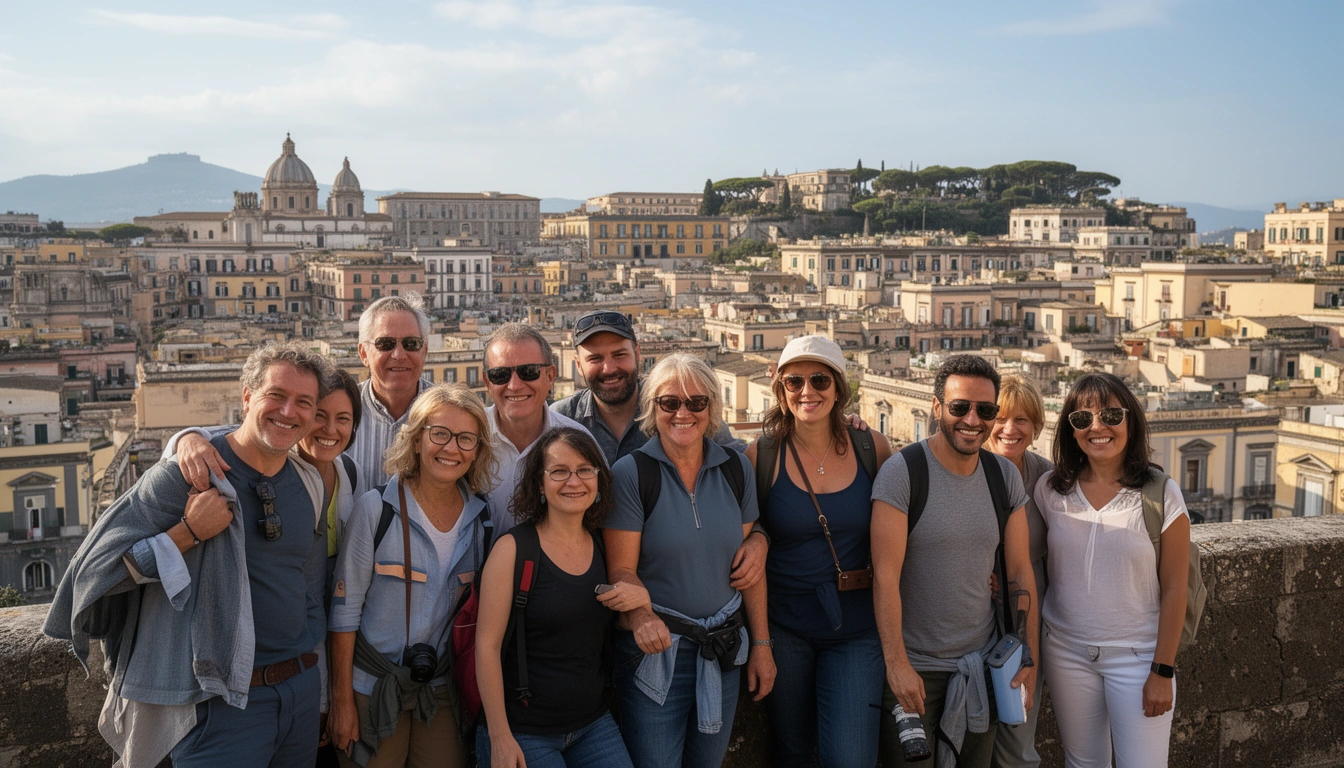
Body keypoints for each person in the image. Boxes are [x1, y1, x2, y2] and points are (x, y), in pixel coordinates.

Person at [45, 342, 334, 768]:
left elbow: (308, 584)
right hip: (218, 704)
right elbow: (90, 572)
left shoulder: (310, 483)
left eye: (304, 403)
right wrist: (186, 534)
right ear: (248, 396)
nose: (289, 411)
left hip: (299, 695)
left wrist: (314, 678)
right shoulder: (184, 476)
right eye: (276, 395)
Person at [604, 354, 776, 768]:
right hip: (657, 656)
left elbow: (748, 565)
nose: (683, 413)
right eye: (669, 403)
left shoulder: (735, 467)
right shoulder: (631, 474)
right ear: (653, 409)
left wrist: (762, 645)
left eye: (697, 403)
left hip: (724, 651)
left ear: (713, 410)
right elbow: (621, 571)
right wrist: (642, 617)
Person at [870, 354, 1039, 768]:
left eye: (985, 410)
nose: (972, 419)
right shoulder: (903, 473)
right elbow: (885, 577)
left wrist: (1028, 659)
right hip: (915, 673)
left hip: (982, 669)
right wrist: (897, 667)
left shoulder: (1004, 477)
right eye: (959, 407)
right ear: (936, 408)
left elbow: (1019, 573)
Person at [326, 383, 496, 768]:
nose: (451, 448)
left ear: (478, 451)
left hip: (440, 692)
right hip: (371, 688)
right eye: (439, 434)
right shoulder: (376, 510)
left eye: (466, 439)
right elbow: (344, 612)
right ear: (416, 440)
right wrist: (341, 702)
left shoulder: (481, 520)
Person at [747, 335, 892, 768]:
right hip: (785, 627)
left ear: (839, 388)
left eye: (819, 380)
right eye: (794, 382)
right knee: (791, 751)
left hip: (857, 630)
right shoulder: (762, 455)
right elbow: (746, 541)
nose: (806, 391)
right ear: (780, 389)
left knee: (850, 757)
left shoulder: (873, 448)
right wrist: (760, 642)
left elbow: (901, 535)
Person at [552, 309, 770, 593]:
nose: (609, 368)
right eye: (595, 359)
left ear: (637, 354)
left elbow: (744, 466)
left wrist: (759, 535)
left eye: (619, 355)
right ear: (578, 365)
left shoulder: (675, 406)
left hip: (664, 587)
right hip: (581, 579)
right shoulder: (562, 422)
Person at [1035, 372, 1189, 768]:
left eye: (1110, 415)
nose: (1097, 427)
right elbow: (1024, 552)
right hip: (1065, 650)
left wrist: (1162, 671)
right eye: (1082, 419)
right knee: (1082, 763)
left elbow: (1176, 587)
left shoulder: (1160, 493)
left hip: (1137, 658)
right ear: (1070, 430)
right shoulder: (1051, 490)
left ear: (1131, 421)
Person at [474, 427, 636, 768]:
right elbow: (486, 646)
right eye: (559, 471)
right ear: (540, 483)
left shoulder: (601, 545)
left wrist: (643, 604)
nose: (573, 481)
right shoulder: (514, 550)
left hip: (593, 724)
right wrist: (500, 737)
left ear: (598, 479)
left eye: (584, 470)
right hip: (524, 730)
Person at [174, 293, 433, 496]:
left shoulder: (448, 415)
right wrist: (191, 437)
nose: (399, 354)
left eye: (411, 344)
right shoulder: (341, 408)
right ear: (363, 353)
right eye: (385, 344)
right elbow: (272, 425)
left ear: (424, 351)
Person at [984, 373, 1053, 768]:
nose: (1010, 429)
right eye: (1001, 418)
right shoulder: (966, 471)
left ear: (1036, 426)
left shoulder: (1047, 478)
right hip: (973, 618)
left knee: (1017, 738)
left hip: (1029, 622)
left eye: (1022, 420)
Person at [482, 322, 593, 534]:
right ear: (487, 382)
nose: (514, 385)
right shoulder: (466, 440)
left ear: (550, 376)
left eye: (529, 372)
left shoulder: (578, 442)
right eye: (500, 375)